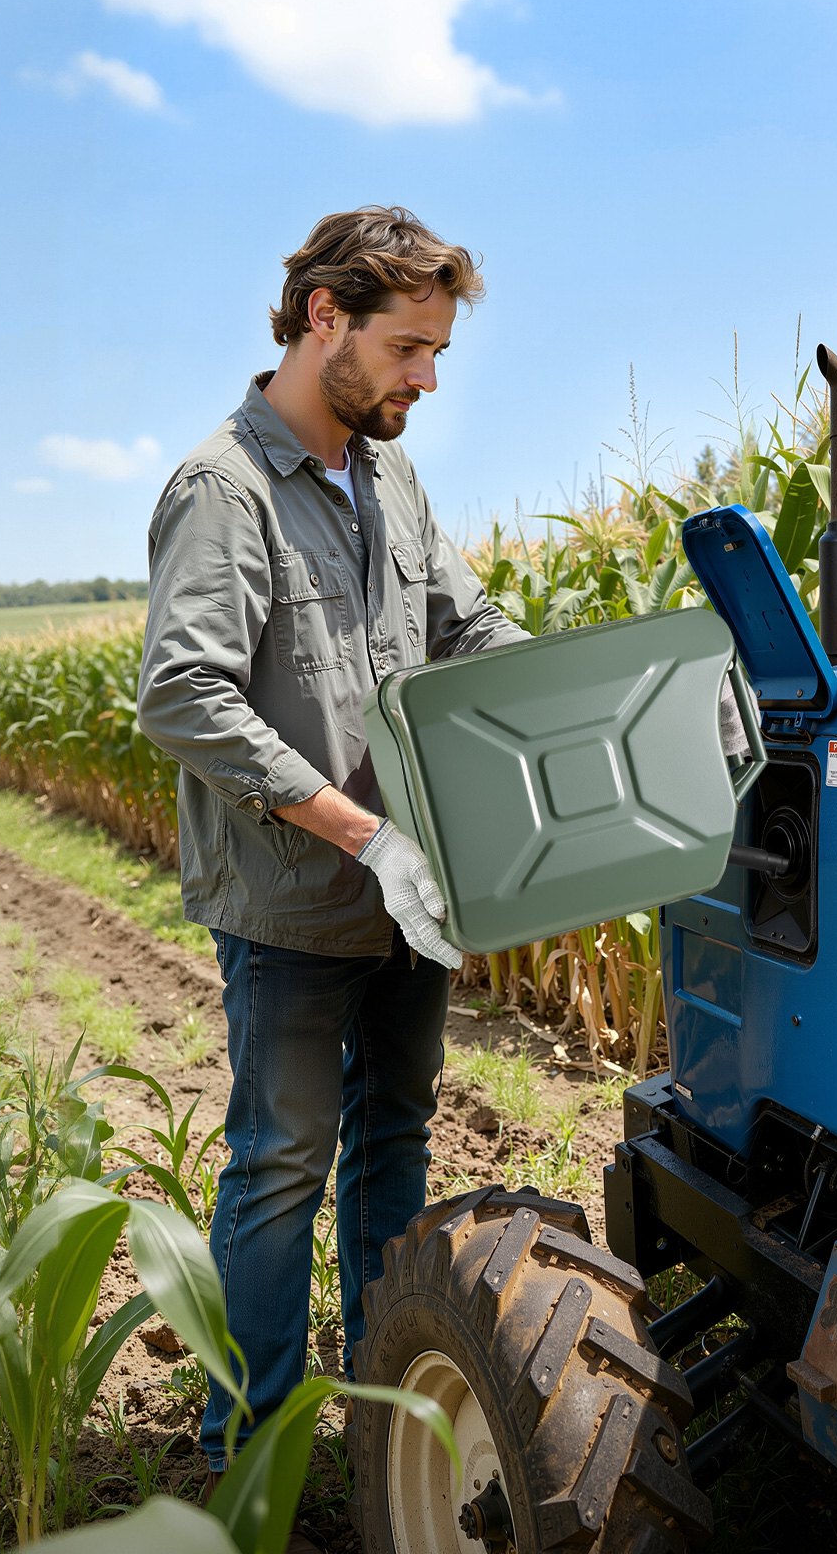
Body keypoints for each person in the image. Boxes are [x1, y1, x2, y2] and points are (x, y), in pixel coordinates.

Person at [136, 207, 530, 1509]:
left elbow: (466, 625)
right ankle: (246, 1459)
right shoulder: (224, 490)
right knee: (278, 1171)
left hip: (412, 900)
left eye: (436, 354)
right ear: (325, 319)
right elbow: (186, 694)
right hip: (298, 900)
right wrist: (365, 835)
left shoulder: (387, 473)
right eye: (411, 348)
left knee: (397, 1141)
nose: (428, 378)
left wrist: (596, 690)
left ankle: (380, 1422)